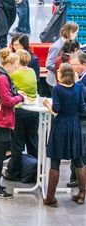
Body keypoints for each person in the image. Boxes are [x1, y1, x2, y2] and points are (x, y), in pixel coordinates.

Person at [43, 64, 86, 207]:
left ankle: (50, 197)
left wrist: (47, 106)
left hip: (60, 126)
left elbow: (56, 109)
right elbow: (82, 108)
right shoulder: (79, 88)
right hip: (74, 126)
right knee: (78, 160)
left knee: (55, 161)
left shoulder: (57, 89)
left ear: (62, 74)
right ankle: (81, 194)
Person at [0, 48, 25, 199]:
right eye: (16, 65)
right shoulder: (3, 78)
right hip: (1, 120)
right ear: (9, 63)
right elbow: (7, 100)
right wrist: (20, 98)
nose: (17, 68)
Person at [4, 49, 39, 182]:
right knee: (32, 142)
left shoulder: (15, 74)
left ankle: (14, 171)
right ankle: (35, 171)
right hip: (33, 111)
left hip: (19, 111)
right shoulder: (31, 71)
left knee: (17, 143)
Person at [68, 52, 86, 187]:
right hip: (76, 117)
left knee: (81, 150)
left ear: (83, 64)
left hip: (83, 118)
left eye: (75, 64)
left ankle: (79, 180)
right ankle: (74, 176)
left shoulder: (81, 81)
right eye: (71, 64)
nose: (72, 67)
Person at [46, 22, 79, 87]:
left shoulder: (71, 43)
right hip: (54, 82)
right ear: (71, 32)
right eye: (76, 33)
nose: (76, 35)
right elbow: (49, 64)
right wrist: (64, 70)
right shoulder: (57, 47)